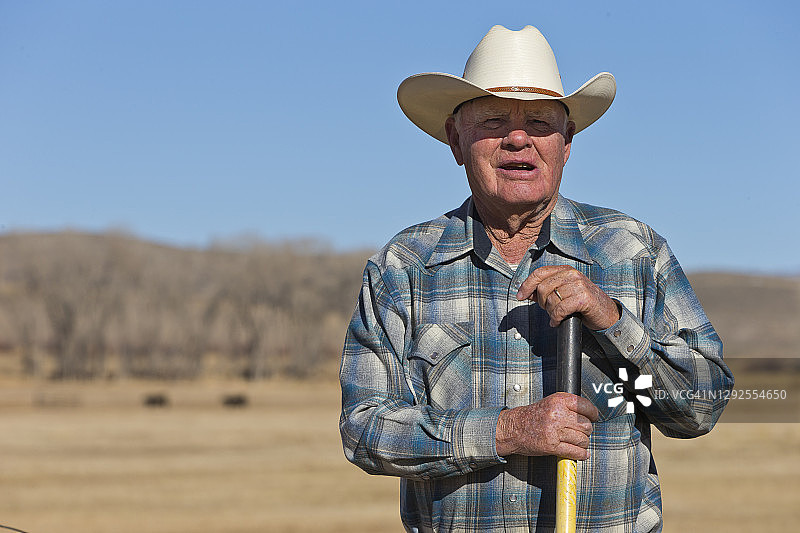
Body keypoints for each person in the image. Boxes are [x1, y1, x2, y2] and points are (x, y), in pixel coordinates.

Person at [339, 25, 733, 532]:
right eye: (494, 119)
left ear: (566, 144)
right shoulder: (404, 267)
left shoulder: (633, 251)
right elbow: (364, 429)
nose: (518, 137)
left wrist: (612, 321)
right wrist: (505, 432)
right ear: (456, 141)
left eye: (541, 122)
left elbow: (700, 408)